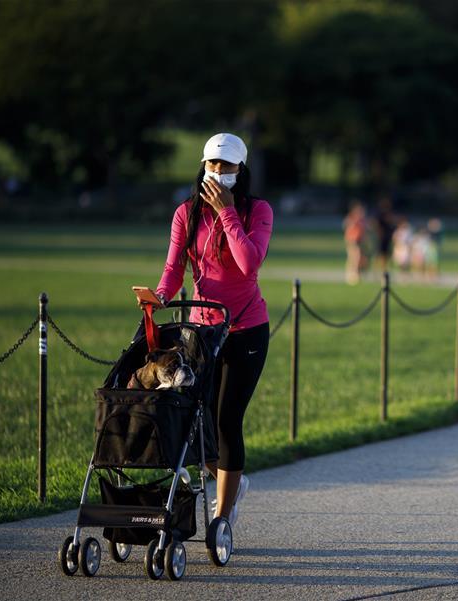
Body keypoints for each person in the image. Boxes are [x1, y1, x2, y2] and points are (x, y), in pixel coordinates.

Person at [154, 132, 273, 527]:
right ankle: (232, 483)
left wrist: (226, 212)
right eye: (213, 165)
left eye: (228, 167)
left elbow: (248, 264)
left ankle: (222, 515)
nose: (219, 173)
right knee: (195, 420)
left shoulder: (258, 212)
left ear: (242, 171)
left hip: (246, 331)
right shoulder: (185, 214)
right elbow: (173, 270)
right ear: (203, 166)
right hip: (203, 334)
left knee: (226, 420)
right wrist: (159, 297)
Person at [343, 201, 367, 285]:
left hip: (359, 240)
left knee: (358, 258)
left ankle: (356, 273)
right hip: (353, 240)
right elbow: (348, 228)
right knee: (354, 257)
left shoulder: (362, 220)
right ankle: (352, 274)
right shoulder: (351, 219)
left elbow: (364, 231)